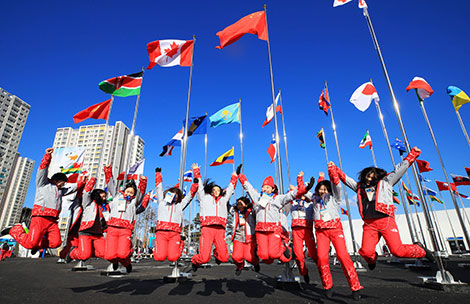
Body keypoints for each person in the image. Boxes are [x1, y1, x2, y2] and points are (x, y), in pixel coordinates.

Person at [329, 147, 434, 271]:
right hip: (369, 223)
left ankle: (420, 250)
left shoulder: (386, 182)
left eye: (372, 178)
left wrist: (413, 154)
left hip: (386, 220)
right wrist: (335, 169)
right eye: (367, 176)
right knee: (366, 252)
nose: (369, 179)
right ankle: (372, 260)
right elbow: (347, 180)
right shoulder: (359, 187)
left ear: (377, 177)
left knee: (397, 251)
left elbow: (400, 169)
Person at [1, 148, 81, 254]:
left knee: (56, 243)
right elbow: (42, 170)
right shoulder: (43, 184)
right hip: (39, 218)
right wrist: (47, 157)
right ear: (57, 180)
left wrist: (83, 181)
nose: (64, 185)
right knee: (30, 244)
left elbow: (73, 188)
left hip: (52, 221)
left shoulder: (61, 191)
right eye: (63, 182)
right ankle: (14, 229)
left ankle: (37, 244)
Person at [303, 167, 363, 300]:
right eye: (320, 188)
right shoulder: (314, 199)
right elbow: (302, 191)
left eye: (324, 189)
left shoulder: (335, 197)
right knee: (322, 258)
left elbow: (337, 185)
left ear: (329, 190)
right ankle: (327, 285)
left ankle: (355, 286)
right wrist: (301, 180)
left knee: (343, 257)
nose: (322, 191)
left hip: (335, 230)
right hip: (321, 232)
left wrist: (332, 171)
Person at [238, 166, 304, 264]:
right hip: (261, 229)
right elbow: (250, 189)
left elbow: (289, 196)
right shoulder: (258, 199)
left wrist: (303, 188)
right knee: (264, 257)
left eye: (268, 187)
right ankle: (276, 252)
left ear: (272, 189)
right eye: (263, 187)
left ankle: (283, 246)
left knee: (275, 254)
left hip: (273, 229)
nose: (265, 189)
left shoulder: (277, 199)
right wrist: (241, 176)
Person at [103, 164, 149, 273]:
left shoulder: (134, 202)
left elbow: (141, 193)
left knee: (123, 254)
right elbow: (110, 184)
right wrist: (108, 169)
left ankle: (127, 263)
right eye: (128, 191)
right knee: (109, 255)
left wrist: (143, 182)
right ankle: (114, 262)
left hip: (125, 229)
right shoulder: (116, 196)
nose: (129, 193)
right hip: (112, 227)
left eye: (132, 192)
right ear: (124, 191)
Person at [191, 163, 237, 271]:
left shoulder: (223, 200)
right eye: (214, 190)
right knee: (204, 258)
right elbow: (200, 187)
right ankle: (195, 260)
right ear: (211, 191)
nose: (216, 191)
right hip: (207, 228)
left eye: (218, 190)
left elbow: (230, 189)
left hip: (220, 229)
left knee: (225, 257)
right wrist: (196, 171)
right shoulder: (204, 198)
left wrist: (234, 176)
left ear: (221, 191)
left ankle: (217, 254)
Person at [153, 166, 198, 262]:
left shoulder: (180, 205)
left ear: (178, 197)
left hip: (175, 233)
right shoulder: (161, 202)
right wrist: (158, 174)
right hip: (162, 232)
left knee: (173, 257)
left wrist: (195, 184)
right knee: (159, 257)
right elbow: (158, 188)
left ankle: (181, 242)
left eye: (176, 194)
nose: (173, 196)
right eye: (171, 193)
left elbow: (190, 196)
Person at [68, 177, 108, 262]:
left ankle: (87, 251)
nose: (104, 199)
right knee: (84, 255)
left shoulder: (105, 207)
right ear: (97, 195)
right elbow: (86, 192)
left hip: (98, 234)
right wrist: (93, 180)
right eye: (102, 196)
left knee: (104, 253)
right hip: (86, 232)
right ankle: (72, 253)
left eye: (105, 197)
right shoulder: (88, 203)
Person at [290, 174, 317, 283]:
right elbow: (288, 196)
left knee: (314, 254)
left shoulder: (311, 203)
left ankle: (322, 271)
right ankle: (304, 272)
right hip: (296, 230)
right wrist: (294, 190)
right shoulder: (293, 202)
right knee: (298, 255)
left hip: (307, 229)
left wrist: (302, 186)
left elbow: (312, 196)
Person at [58, 174, 88, 263]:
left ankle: (71, 255)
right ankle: (64, 255)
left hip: (78, 221)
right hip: (69, 219)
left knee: (75, 238)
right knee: (68, 238)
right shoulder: (66, 195)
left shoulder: (80, 202)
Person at [230, 196, 260, 275]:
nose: (239, 206)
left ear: (246, 205)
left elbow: (256, 207)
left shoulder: (251, 212)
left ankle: (256, 263)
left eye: (241, 204)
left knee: (249, 257)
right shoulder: (235, 212)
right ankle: (240, 266)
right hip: (238, 238)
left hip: (249, 238)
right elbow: (226, 205)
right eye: (238, 204)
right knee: (235, 257)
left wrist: (253, 197)